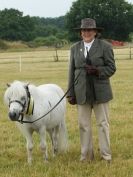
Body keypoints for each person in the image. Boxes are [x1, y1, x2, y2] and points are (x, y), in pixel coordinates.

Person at [67, 18, 116, 162]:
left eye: (89, 30)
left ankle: (106, 156)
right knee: (83, 125)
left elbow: (112, 68)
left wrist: (97, 70)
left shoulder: (105, 46)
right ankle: (86, 156)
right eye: (84, 30)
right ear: (80, 32)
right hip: (81, 92)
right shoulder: (75, 48)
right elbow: (71, 71)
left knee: (103, 124)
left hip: (101, 92)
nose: (86, 32)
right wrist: (71, 93)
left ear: (95, 32)